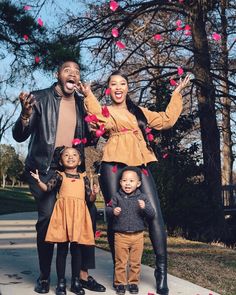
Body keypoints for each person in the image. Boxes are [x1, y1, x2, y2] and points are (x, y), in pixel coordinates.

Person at [78, 70, 190, 295]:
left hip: (139, 163)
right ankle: (120, 274)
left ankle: (161, 271)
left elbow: (167, 119)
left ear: (128, 87)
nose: (118, 87)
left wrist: (177, 93)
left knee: (155, 214)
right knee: (114, 214)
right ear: (109, 89)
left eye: (122, 83)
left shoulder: (139, 112)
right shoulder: (106, 111)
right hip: (112, 163)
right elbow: (96, 114)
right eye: (113, 84)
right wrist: (88, 94)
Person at [12, 60, 106, 293]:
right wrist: (25, 115)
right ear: (58, 75)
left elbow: (88, 139)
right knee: (47, 218)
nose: (73, 74)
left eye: (77, 72)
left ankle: (83, 275)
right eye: (67, 71)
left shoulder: (82, 105)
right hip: (42, 169)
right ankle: (45, 276)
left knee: (89, 213)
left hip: (72, 171)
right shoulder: (39, 98)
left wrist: (94, 134)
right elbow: (19, 136)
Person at [31, 146, 97, 295]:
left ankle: (75, 281)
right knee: (62, 250)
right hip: (63, 217)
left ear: (79, 161)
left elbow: (89, 198)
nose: (70, 157)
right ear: (61, 161)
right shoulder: (59, 175)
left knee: (77, 250)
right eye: (66, 155)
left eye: (74, 154)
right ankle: (61, 282)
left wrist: (94, 193)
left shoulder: (83, 177)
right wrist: (38, 181)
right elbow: (47, 188)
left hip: (78, 217)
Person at [106, 166, 155, 295]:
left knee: (135, 262)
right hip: (120, 236)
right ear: (120, 182)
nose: (128, 183)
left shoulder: (143, 197)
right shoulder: (117, 196)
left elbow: (152, 214)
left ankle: (133, 283)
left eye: (131, 181)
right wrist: (113, 211)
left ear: (138, 184)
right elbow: (108, 209)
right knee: (121, 262)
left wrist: (145, 208)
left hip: (138, 236)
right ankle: (120, 284)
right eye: (124, 180)